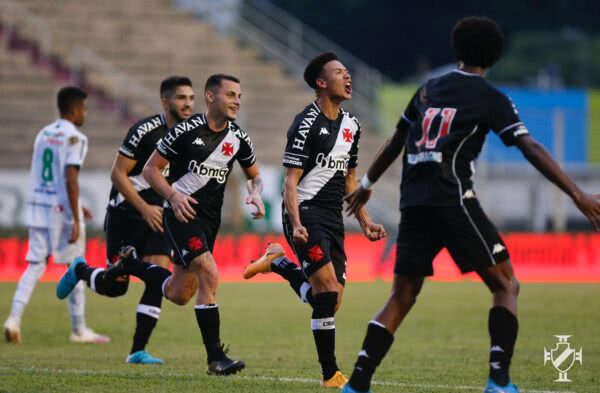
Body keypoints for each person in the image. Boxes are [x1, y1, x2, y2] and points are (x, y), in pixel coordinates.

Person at [341, 17, 600, 393]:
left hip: (413, 203)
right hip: (452, 198)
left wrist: (366, 184)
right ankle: (498, 381)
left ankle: (358, 383)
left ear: (457, 50)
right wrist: (578, 194)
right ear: (495, 55)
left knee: (402, 295)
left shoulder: (428, 90)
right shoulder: (488, 97)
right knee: (506, 284)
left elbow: (397, 140)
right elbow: (529, 146)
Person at [103, 73, 265, 376]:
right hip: (180, 214)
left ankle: (130, 265)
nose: (237, 102)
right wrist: (173, 197)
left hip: (209, 221)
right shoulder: (184, 132)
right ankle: (215, 357)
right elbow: (151, 170)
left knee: (179, 293)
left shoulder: (238, 137)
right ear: (211, 96)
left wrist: (255, 193)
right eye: (231, 95)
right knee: (209, 271)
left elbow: (254, 174)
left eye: (240, 96)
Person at [243, 52, 385, 388]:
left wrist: (365, 221)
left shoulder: (352, 126)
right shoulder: (305, 123)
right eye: (339, 73)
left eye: (348, 72)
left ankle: (279, 264)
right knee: (327, 290)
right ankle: (330, 374)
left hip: (333, 216)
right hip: (305, 211)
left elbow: (350, 180)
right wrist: (296, 223)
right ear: (321, 83)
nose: (347, 78)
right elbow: (290, 180)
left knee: (331, 301)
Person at [56, 76, 195, 364]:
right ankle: (80, 270)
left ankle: (137, 351)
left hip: (159, 212)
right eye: (182, 98)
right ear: (165, 101)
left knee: (159, 274)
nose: (188, 104)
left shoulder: (191, 135)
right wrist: (144, 208)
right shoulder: (145, 130)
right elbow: (117, 174)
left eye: (191, 98)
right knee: (116, 286)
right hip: (127, 211)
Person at [3, 87, 109, 344]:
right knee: (76, 267)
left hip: (38, 205)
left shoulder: (43, 133)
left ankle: (13, 319)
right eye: (84, 108)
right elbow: (70, 178)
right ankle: (79, 329)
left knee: (35, 265)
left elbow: (48, 174)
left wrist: (78, 203)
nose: (85, 113)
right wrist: (75, 215)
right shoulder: (75, 138)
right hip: (60, 213)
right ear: (74, 110)